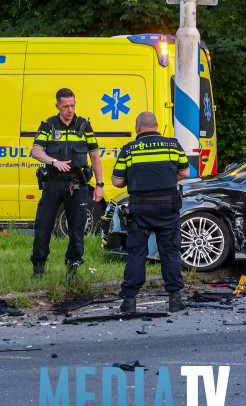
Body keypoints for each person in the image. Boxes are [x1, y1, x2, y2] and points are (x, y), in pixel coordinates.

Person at [111, 111, 190, 314]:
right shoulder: (173, 145)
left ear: (138, 128)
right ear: (156, 126)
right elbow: (185, 172)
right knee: (170, 252)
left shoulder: (129, 150)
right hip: (167, 207)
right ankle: (175, 299)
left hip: (140, 209)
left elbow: (117, 181)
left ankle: (129, 301)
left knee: (136, 253)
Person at [29, 88, 104, 282]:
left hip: (77, 185)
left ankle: (73, 269)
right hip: (53, 184)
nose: (70, 110)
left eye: (73, 105)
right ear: (58, 106)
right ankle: (38, 267)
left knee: (77, 229)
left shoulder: (84, 125)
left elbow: (95, 156)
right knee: (43, 226)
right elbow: (36, 151)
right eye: (66, 106)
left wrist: (100, 184)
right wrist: (54, 161)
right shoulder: (48, 125)